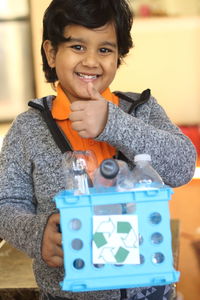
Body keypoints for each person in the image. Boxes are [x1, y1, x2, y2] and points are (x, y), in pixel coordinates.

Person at [0, 0, 196, 299]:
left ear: (118, 57)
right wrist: (36, 233)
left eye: (105, 49)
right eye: (77, 47)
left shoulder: (140, 112)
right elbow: (6, 202)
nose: (92, 61)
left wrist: (113, 123)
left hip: (148, 293)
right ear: (51, 53)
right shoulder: (28, 128)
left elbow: (182, 166)